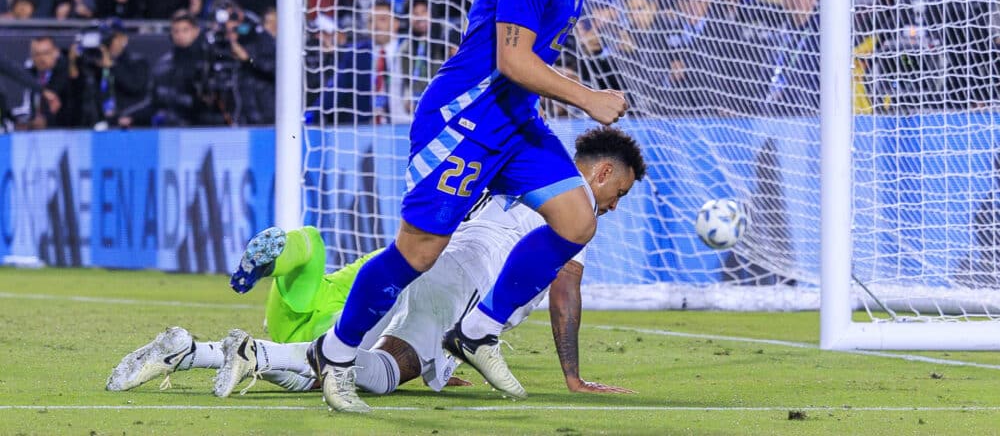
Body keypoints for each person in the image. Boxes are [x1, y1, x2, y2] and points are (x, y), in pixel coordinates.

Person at [308, 0, 634, 413]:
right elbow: (512, 62)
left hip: (514, 122)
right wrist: (587, 98)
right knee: (419, 253)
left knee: (578, 217)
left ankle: (479, 329)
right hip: (465, 122)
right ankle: (336, 355)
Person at [106, 127, 645, 399]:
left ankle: (190, 351)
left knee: (337, 362)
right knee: (381, 376)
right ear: (600, 174)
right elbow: (565, 291)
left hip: (433, 267)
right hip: (458, 288)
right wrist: (573, 377)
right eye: (618, 191)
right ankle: (253, 352)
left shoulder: (526, 169)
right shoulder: (575, 208)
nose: (614, 205)